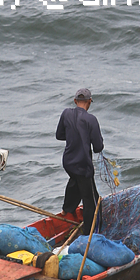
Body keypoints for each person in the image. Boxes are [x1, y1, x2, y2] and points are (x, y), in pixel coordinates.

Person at [56, 87, 104, 232]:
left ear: (75, 101)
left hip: (68, 162)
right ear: (89, 101)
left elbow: (59, 135)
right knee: (91, 202)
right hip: (83, 165)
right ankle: (89, 234)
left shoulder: (66, 113)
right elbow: (98, 147)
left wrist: (74, 136)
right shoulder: (91, 119)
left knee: (76, 182)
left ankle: (67, 209)